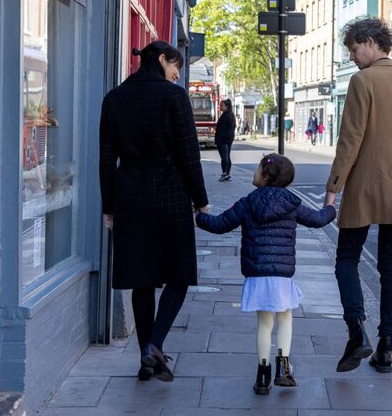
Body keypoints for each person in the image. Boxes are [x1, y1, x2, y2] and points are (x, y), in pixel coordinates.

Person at [323, 17, 392, 374]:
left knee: (346, 259)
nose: (352, 57)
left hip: (365, 187)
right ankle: (386, 348)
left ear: (371, 43)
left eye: (354, 50)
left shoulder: (362, 81)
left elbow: (350, 139)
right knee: (390, 267)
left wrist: (333, 188)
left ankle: (357, 332)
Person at [100, 41, 209, 383]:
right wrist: (201, 200)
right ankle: (154, 345)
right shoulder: (174, 97)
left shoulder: (114, 98)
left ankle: (145, 359)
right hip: (171, 195)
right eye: (175, 66)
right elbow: (189, 155)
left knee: (141, 281)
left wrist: (108, 206)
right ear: (161, 60)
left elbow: (106, 160)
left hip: (129, 197)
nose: (177, 74)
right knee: (178, 276)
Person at [196, 153, 336, 395]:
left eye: (257, 168)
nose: (254, 172)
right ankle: (283, 368)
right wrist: (331, 207)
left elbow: (220, 224)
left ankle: (263, 376)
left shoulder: (248, 202)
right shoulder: (292, 203)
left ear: (265, 175)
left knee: (264, 322)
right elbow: (318, 219)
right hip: (281, 274)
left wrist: (199, 216)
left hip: (257, 272)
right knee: (284, 319)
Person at [215, 99, 236, 181]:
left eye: (222, 105)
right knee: (227, 156)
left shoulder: (225, 116)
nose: (220, 107)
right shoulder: (231, 115)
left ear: (226, 107)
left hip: (223, 139)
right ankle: (227, 173)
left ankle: (224, 173)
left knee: (224, 157)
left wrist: (218, 140)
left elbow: (221, 130)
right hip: (229, 138)